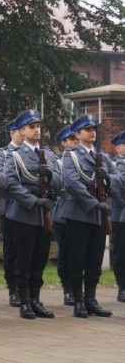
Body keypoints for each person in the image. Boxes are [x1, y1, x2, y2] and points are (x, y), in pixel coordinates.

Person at [2, 109, 61, 319]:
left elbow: (60, 183)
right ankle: (24, 300)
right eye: (31, 127)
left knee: (39, 259)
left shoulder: (49, 156)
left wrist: (51, 174)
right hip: (24, 213)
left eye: (38, 126)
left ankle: (36, 299)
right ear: (21, 131)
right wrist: (33, 201)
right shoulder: (15, 156)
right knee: (23, 258)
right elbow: (11, 184)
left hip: (44, 215)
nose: (36, 130)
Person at [61, 114, 120, 318]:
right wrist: (94, 203)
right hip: (79, 213)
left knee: (94, 259)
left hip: (98, 215)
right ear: (77, 134)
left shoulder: (102, 157)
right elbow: (71, 183)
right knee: (77, 258)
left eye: (93, 128)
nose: (92, 132)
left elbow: (118, 179)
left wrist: (109, 179)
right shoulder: (71, 156)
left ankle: (91, 299)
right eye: (87, 129)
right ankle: (78, 300)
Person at [0, 117, 24, 308]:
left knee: (28, 250)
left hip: (29, 208)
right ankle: (13, 288)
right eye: (20, 130)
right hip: (9, 207)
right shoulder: (2, 154)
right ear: (13, 133)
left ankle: (27, 289)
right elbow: (2, 181)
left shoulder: (38, 154)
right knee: (12, 250)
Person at [52, 125, 78, 305]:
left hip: (82, 212)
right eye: (71, 140)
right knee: (66, 253)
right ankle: (67, 288)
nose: (75, 142)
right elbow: (59, 186)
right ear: (63, 143)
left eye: (76, 139)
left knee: (81, 253)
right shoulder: (58, 162)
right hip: (63, 213)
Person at [110, 131, 125, 303]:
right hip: (119, 213)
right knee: (120, 252)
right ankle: (122, 286)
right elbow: (115, 188)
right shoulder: (117, 165)